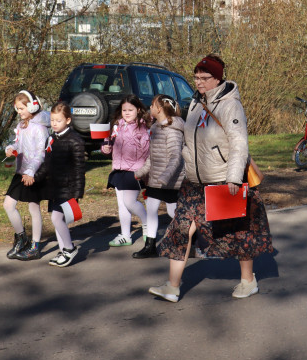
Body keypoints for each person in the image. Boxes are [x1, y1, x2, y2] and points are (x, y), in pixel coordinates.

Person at [149, 55, 273, 303]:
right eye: (196, 77)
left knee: (237, 231)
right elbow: (190, 138)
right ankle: (172, 286)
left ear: (217, 78)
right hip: (194, 181)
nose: (199, 82)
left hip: (222, 179)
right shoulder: (196, 102)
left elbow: (239, 144)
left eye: (204, 78)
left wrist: (234, 178)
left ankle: (248, 281)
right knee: (181, 228)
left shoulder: (231, 105)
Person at [133, 95, 185, 258]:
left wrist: (165, 176)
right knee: (151, 209)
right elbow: (152, 157)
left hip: (171, 181)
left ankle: (192, 236)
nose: (150, 108)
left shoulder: (173, 130)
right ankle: (150, 246)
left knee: (172, 211)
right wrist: (141, 172)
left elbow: (176, 157)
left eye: (152, 105)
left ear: (159, 109)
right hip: (156, 180)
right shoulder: (156, 128)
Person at [36, 102, 87, 267]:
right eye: (52, 120)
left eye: (58, 120)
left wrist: (77, 192)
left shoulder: (75, 140)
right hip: (54, 187)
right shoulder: (51, 139)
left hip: (68, 188)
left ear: (68, 120)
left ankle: (69, 249)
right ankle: (63, 250)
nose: (54, 123)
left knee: (57, 218)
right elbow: (47, 164)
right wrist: (36, 177)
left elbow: (79, 169)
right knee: (58, 219)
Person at [2, 90, 49, 261]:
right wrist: (10, 148)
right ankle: (21, 238)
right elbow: (18, 144)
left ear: (33, 106)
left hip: (34, 173)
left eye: (21, 108)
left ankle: (35, 246)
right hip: (21, 171)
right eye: (17, 109)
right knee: (8, 205)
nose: (19, 112)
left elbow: (41, 154)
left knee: (33, 208)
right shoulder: (22, 126)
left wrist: (31, 172)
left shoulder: (41, 129)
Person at [101, 95, 151, 248]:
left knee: (129, 202)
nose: (127, 113)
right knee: (122, 205)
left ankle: (147, 223)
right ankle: (125, 235)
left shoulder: (142, 127)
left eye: (130, 110)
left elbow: (146, 151)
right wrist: (106, 148)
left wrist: (141, 170)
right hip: (118, 169)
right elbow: (108, 144)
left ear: (138, 110)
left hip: (135, 170)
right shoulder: (117, 126)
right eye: (124, 110)